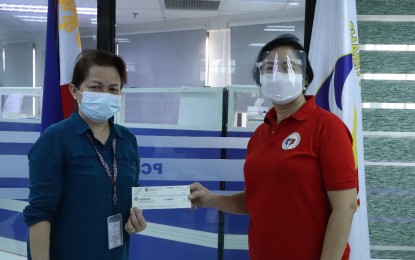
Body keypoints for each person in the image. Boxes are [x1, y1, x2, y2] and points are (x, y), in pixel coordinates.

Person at [188, 34, 358, 260]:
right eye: (269, 68)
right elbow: (258, 200)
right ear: (261, 79)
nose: (277, 74)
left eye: (288, 67)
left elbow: (345, 207)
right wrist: (212, 199)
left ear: (305, 78)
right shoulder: (261, 134)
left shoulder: (327, 127)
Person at [23, 49, 147, 260]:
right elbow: (39, 213)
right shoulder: (56, 138)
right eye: (95, 87)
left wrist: (136, 219)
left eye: (113, 89)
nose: (105, 95)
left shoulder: (127, 141)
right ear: (74, 90)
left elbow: (134, 196)